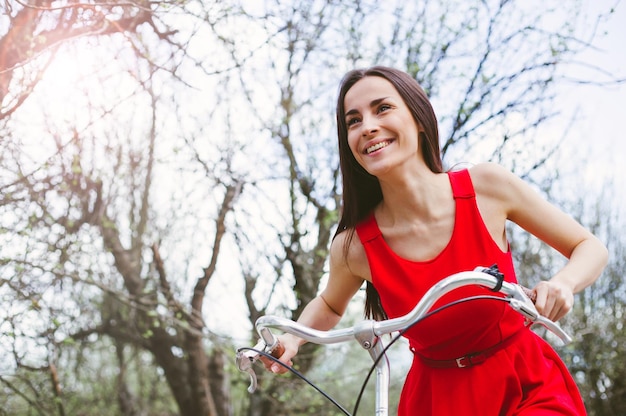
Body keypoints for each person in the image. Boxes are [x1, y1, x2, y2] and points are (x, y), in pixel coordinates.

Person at [267, 66, 608, 415]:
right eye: (353, 121)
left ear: (418, 118)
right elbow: (329, 305)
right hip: (436, 400)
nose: (367, 126)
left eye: (382, 108)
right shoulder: (354, 246)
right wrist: (293, 337)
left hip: (524, 384)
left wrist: (563, 283)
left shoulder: (486, 187)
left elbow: (590, 247)